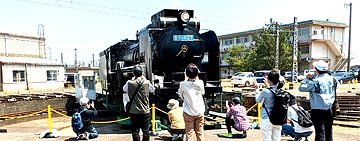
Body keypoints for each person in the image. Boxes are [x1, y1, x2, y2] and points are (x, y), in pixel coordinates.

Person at [299, 61, 339, 141]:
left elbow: (302, 88)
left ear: (317, 70)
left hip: (317, 109)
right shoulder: (333, 79)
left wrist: (307, 79)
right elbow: (337, 85)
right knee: (329, 131)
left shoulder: (316, 81)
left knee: (320, 131)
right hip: (329, 108)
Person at [123, 65, 155, 141]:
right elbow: (152, 90)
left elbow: (124, 89)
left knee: (135, 131)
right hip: (145, 110)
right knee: (146, 130)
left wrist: (132, 79)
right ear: (142, 73)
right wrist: (144, 78)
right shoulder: (147, 82)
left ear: (133, 73)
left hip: (133, 111)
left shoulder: (129, 83)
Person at [254, 70, 284, 141]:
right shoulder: (280, 90)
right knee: (276, 139)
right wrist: (268, 85)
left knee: (266, 138)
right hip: (278, 119)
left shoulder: (266, 91)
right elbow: (273, 92)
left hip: (267, 118)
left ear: (269, 80)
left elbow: (258, 100)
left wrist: (257, 89)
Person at [179, 63, 205, 141]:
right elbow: (202, 93)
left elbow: (180, 95)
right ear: (197, 74)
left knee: (189, 133)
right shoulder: (200, 83)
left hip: (188, 111)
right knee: (200, 132)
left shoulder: (183, 84)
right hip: (200, 111)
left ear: (186, 74)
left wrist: (185, 78)